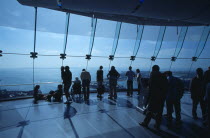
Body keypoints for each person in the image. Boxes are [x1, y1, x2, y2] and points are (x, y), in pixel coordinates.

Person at [140, 65, 168, 130]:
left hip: (154, 96)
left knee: (150, 110)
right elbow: (166, 86)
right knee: (159, 111)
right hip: (162, 97)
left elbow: (150, 87)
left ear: (153, 69)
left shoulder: (153, 75)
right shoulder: (163, 76)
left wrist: (148, 98)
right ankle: (157, 124)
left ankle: (145, 123)